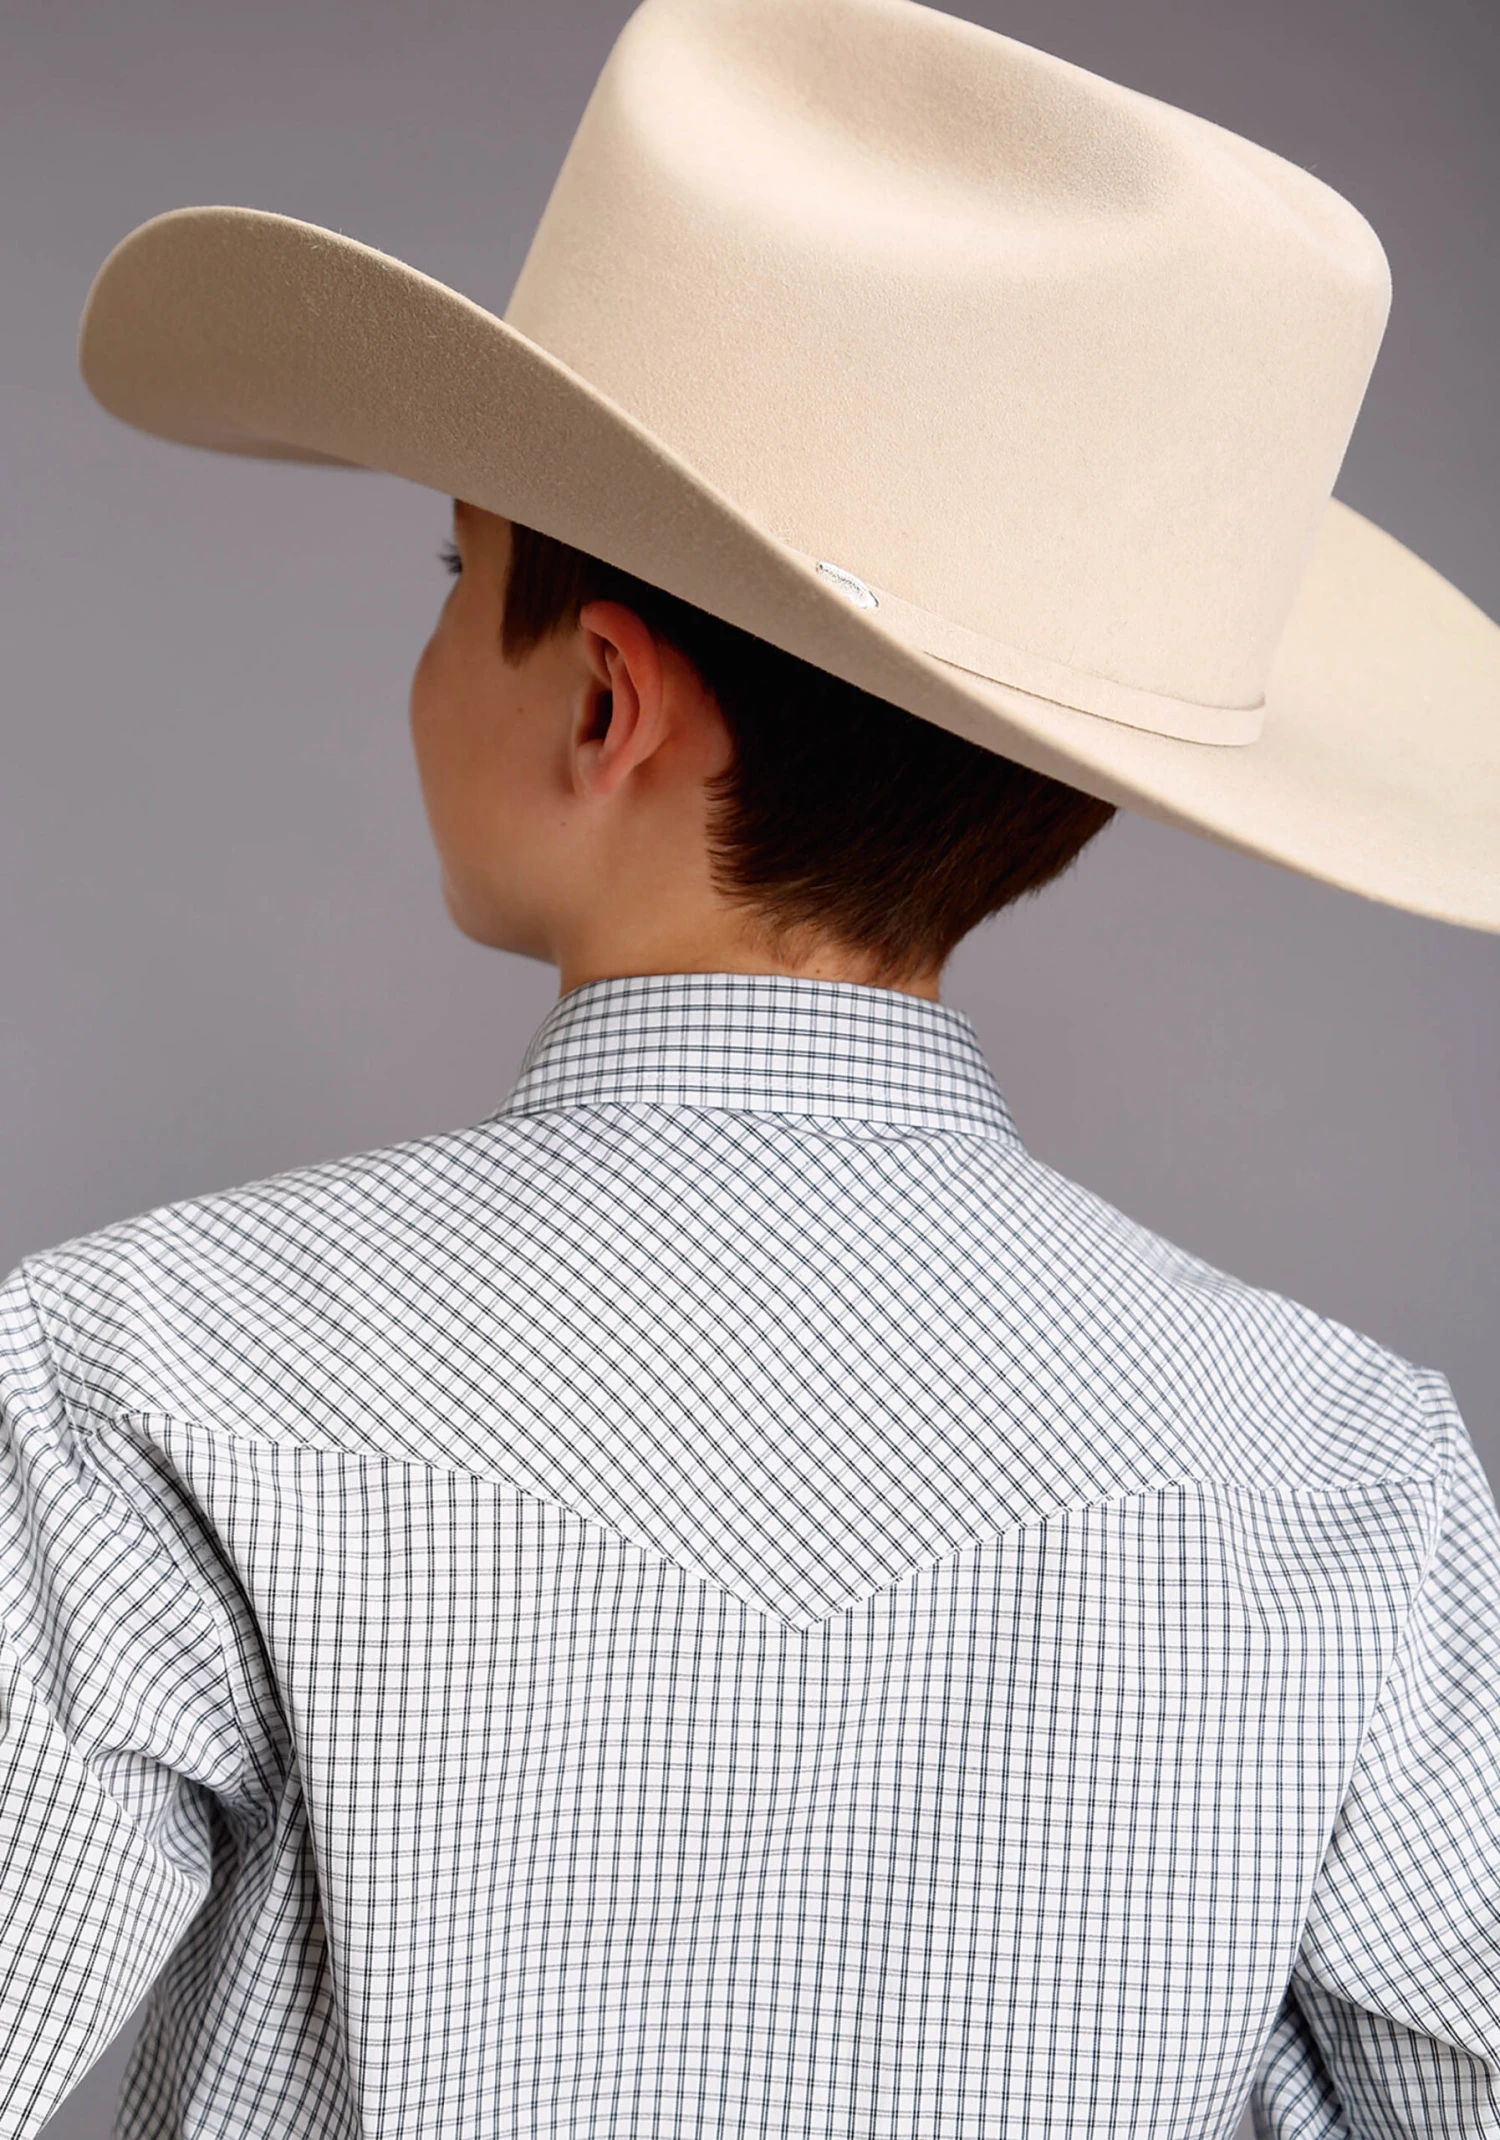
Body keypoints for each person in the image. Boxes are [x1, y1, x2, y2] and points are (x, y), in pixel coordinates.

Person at [4, 1, 1499, 2135]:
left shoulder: (145, 1374)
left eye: (457, 571)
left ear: (603, 701)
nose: (427, 642)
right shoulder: (1349, 1475)